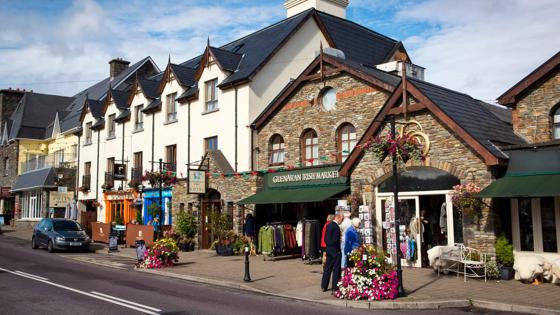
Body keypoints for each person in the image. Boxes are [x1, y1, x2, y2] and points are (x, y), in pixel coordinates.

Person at [321, 213, 343, 293]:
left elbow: (326, 238)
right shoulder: (336, 227)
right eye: (341, 219)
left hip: (328, 248)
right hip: (334, 250)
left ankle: (324, 286)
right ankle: (335, 287)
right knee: (336, 269)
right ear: (338, 218)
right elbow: (336, 240)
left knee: (327, 268)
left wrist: (328, 246)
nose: (342, 221)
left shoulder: (328, 225)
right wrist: (337, 250)